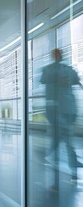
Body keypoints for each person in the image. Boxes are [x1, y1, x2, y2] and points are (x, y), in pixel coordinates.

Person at [41, 48, 82, 182]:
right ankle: (72, 167)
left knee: (60, 139)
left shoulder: (65, 70)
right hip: (60, 110)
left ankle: (56, 159)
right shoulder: (51, 70)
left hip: (65, 110)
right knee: (65, 139)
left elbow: (78, 83)